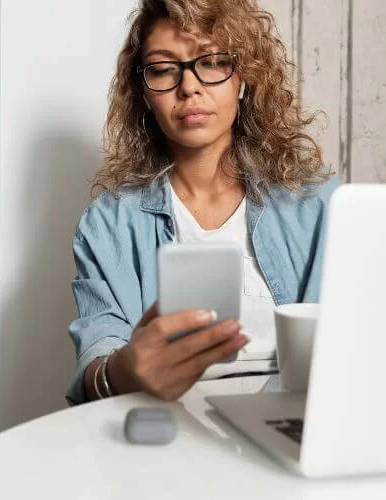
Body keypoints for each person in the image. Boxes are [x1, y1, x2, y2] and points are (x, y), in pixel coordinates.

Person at [66, 0, 339, 406]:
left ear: (243, 79)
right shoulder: (108, 224)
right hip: (168, 433)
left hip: (290, 428)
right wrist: (121, 371)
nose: (189, 86)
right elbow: (99, 353)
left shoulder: (319, 206)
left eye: (211, 62)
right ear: (143, 93)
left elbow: (346, 348)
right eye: (162, 69)